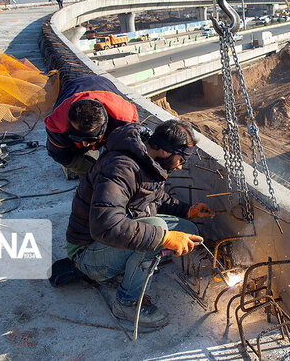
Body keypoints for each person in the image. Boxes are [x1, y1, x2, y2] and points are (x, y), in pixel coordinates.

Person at [65, 119, 214, 330]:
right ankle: (127, 303)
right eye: (180, 159)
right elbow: (105, 226)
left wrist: (186, 211)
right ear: (164, 151)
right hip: (87, 252)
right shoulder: (120, 169)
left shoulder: (147, 159)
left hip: (110, 241)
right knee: (156, 231)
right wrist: (163, 238)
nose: (180, 166)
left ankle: (125, 269)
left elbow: (155, 198)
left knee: (187, 230)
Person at [44, 75, 138, 179]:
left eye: (89, 139)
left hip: (103, 85)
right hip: (72, 89)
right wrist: (92, 169)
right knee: (92, 172)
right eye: (78, 137)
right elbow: (58, 153)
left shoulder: (124, 119)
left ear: (104, 125)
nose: (85, 144)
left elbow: (130, 150)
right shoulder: (57, 123)